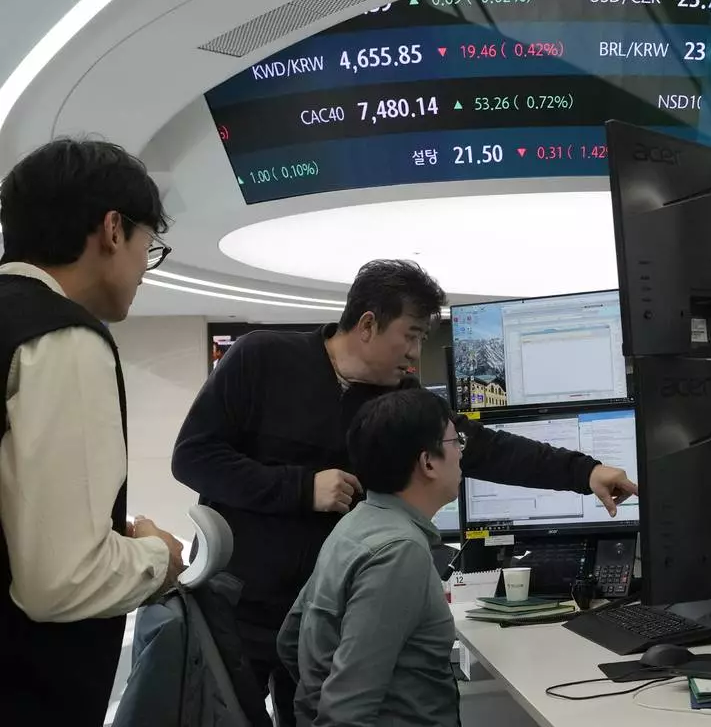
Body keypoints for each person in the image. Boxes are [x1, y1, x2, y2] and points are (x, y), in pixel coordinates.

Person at [172, 259, 637, 725]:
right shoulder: (262, 358)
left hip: (331, 617)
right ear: (369, 324)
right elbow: (193, 457)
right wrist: (299, 488)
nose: (415, 354)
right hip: (241, 606)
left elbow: (484, 448)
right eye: (410, 335)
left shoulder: (398, 398)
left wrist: (585, 472)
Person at [0, 138, 185, 724]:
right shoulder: (62, 337)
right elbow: (60, 580)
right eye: (146, 247)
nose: (142, 272)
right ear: (112, 230)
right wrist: (157, 557)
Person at [278, 387, 463, 727]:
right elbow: (347, 711)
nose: (461, 452)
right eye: (455, 442)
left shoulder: (355, 522)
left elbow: (290, 640)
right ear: (428, 462)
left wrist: (312, 705)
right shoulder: (399, 552)